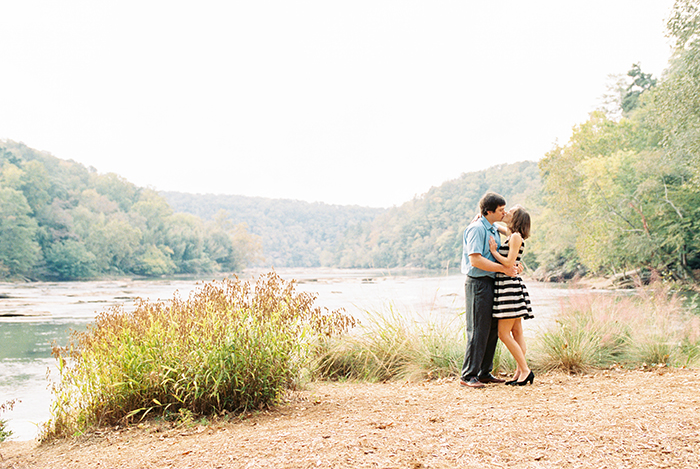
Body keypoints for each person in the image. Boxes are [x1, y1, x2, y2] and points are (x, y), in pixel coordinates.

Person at [459, 192, 519, 388]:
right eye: (501, 210)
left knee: (492, 328)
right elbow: (475, 259)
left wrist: (509, 217)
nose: (503, 212)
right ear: (489, 211)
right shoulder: (476, 229)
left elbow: (515, 234)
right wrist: (504, 269)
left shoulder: (493, 227)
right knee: (477, 329)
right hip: (478, 283)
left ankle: (484, 372)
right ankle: (468, 375)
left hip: (493, 282)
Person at [489, 206, 534, 386]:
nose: (506, 212)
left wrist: (493, 252)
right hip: (508, 286)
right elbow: (497, 227)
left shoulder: (515, 237)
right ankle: (519, 372)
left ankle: (525, 370)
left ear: (516, 219)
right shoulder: (512, 234)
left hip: (509, 288)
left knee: (503, 333)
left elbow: (508, 263)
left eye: (511, 212)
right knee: (516, 332)